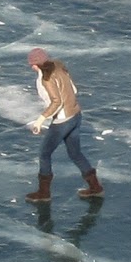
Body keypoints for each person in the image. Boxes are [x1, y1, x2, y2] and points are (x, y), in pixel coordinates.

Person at [24, 47, 103, 203]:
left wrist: (40, 120)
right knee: (75, 153)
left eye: (31, 64)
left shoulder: (46, 79)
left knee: (44, 154)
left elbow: (56, 102)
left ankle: (44, 193)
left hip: (63, 121)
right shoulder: (59, 67)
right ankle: (95, 188)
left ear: (35, 65)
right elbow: (73, 89)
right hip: (76, 115)